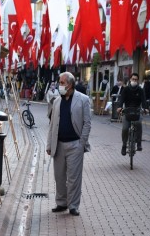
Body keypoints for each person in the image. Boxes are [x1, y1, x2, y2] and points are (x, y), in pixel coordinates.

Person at [46, 72, 91, 216]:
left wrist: (81, 143)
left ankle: (73, 205)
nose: (60, 85)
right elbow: (52, 124)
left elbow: (87, 123)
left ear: (70, 85)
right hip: (58, 145)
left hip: (75, 145)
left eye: (62, 83)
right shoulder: (57, 101)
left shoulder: (83, 99)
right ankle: (61, 203)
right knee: (59, 176)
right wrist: (49, 144)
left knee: (73, 178)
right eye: (60, 82)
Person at [117, 73, 149, 155]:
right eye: (133, 79)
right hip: (127, 111)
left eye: (136, 79)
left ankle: (139, 143)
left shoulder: (140, 90)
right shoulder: (126, 89)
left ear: (138, 81)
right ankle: (124, 145)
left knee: (139, 124)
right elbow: (121, 99)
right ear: (130, 79)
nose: (134, 81)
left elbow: (144, 100)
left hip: (137, 111)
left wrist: (145, 108)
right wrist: (120, 107)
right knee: (125, 128)